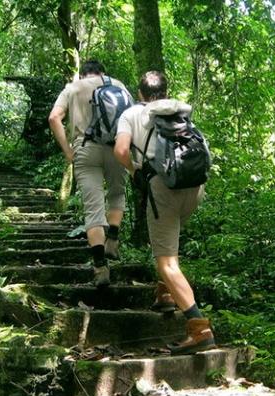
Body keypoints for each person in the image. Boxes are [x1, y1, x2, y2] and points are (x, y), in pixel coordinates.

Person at [114, 71, 215, 355]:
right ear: (165, 91)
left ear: (140, 93)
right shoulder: (178, 112)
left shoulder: (131, 114)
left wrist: (134, 170)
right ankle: (165, 294)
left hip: (164, 188)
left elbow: (121, 150)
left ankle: (199, 327)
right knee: (169, 244)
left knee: (166, 262)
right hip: (194, 186)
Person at [48, 60, 128, 287]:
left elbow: (54, 118)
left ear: (82, 74)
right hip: (115, 148)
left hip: (85, 148)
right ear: (103, 72)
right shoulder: (119, 85)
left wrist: (68, 151)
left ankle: (100, 266)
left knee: (94, 207)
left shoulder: (73, 87)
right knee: (116, 193)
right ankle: (112, 238)